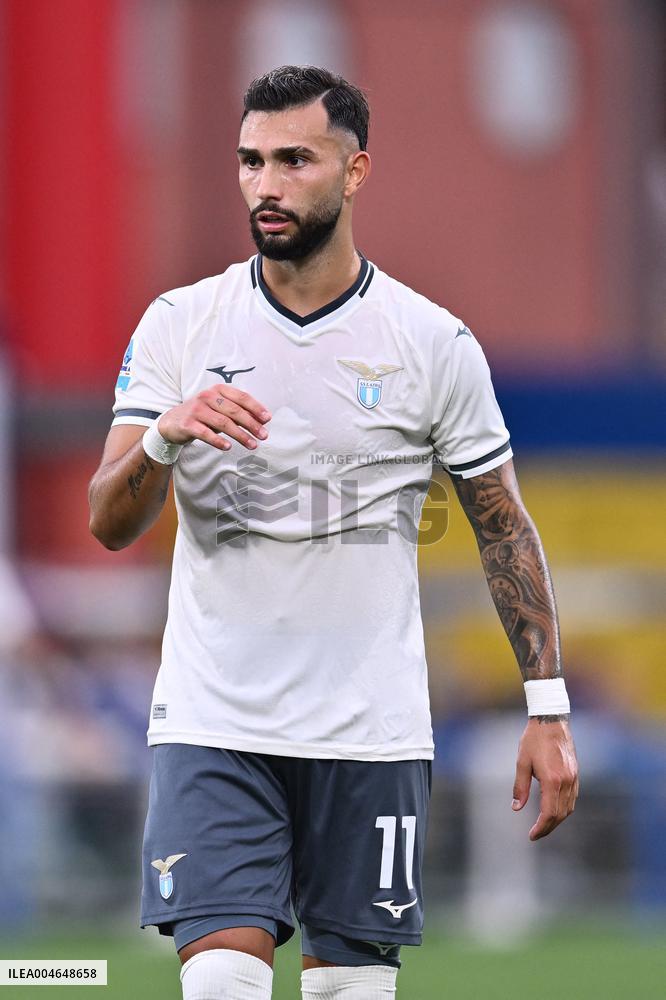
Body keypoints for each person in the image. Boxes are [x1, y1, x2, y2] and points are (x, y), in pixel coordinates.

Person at [88, 65, 578, 1000]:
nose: (266, 185)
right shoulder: (181, 325)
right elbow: (108, 518)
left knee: (347, 991)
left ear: (355, 172)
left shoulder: (432, 343)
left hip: (371, 733)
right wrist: (165, 430)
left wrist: (547, 707)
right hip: (215, 722)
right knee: (222, 981)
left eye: (295, 161)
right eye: (251, 161)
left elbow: (503, 528)